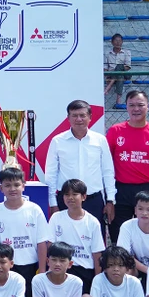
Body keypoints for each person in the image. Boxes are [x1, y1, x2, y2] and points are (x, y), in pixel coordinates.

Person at [105, 90, 149, 243]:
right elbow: (105, 163)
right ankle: (121, 265)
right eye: (132, 105)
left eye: (140, 105)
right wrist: (108, 196)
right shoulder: (116, 131)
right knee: (118, 234)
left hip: (146, 189)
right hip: (120, 189)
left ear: (148, 106)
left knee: (148, 235)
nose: (136, 109)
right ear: (126, 107)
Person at [0, 167, 52, 297]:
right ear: (1, 188)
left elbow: (42, 243)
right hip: (5, 268)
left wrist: (42, 271)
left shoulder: (34, 210)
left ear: (23, 186)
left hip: (30, 267)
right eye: (7, 185)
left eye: (16, 185)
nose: (12, 189)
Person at [47, 100, 115, 240]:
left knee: (95, 242)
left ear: (90, 117)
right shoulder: (58, 141)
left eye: (82, 115)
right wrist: (53, 203)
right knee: (64, 242)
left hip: (93, 200)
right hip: (66, 199)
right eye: (74, 115)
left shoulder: (100, 140)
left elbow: (108, 171)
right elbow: (51, 174)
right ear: (68, 118)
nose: (79, 119)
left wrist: (110, 200)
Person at [48, 179, 105, 294]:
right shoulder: (56, 218)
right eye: (67, 194)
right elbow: (49, 245)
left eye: (75, 194)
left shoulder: (92, 222)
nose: (70, 198)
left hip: (85, 271)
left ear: (84, 197)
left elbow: (97, 254)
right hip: (61, 270)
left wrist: (97, 281)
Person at [116, 191, 149, 283]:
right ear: (135, 210)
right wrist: (146, 270)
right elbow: (124, 255)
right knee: (124, 271)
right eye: (140, 209)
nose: (144, 213)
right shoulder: (127, 226)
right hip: (135, 266)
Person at [103, 34, 131, 106]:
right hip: (113, 74)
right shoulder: (107, 53)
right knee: (119, 76)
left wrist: (118, 69)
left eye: (120, 41)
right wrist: (108, 74)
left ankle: (108, 88)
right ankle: (118, 99)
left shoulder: (127, 52)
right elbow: (105, 67)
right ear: (112, 42)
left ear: (122, 42)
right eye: (116, 41)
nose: (118, 42)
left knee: (119, 67)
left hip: (125, 73)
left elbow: (128, 67)